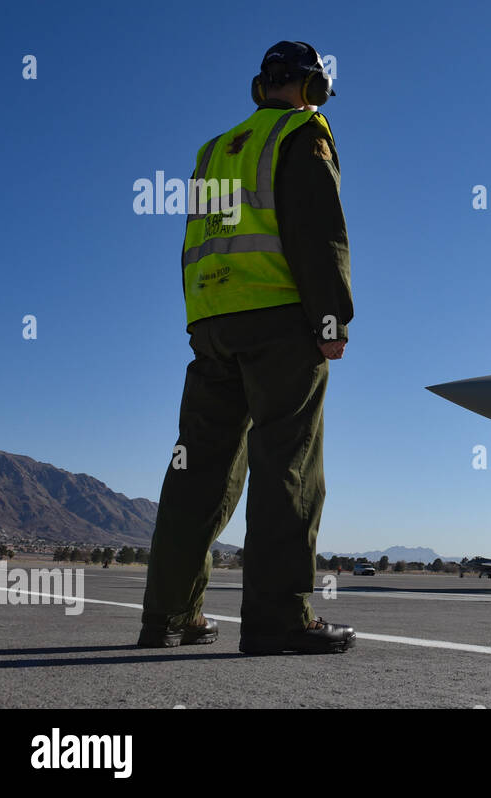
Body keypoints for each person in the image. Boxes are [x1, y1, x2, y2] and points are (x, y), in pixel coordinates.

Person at [138, 41, 356, 653]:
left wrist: (199, 320)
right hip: (281, 321)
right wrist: (332, 318)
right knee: (286, 463)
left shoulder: (213, 151)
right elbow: (318, 230)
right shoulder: (303, 134)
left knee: (195, 470)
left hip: (211, 324)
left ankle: (169, 618)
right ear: (312, 88)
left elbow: (197, 240)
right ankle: (278, 619)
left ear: (259, 87)